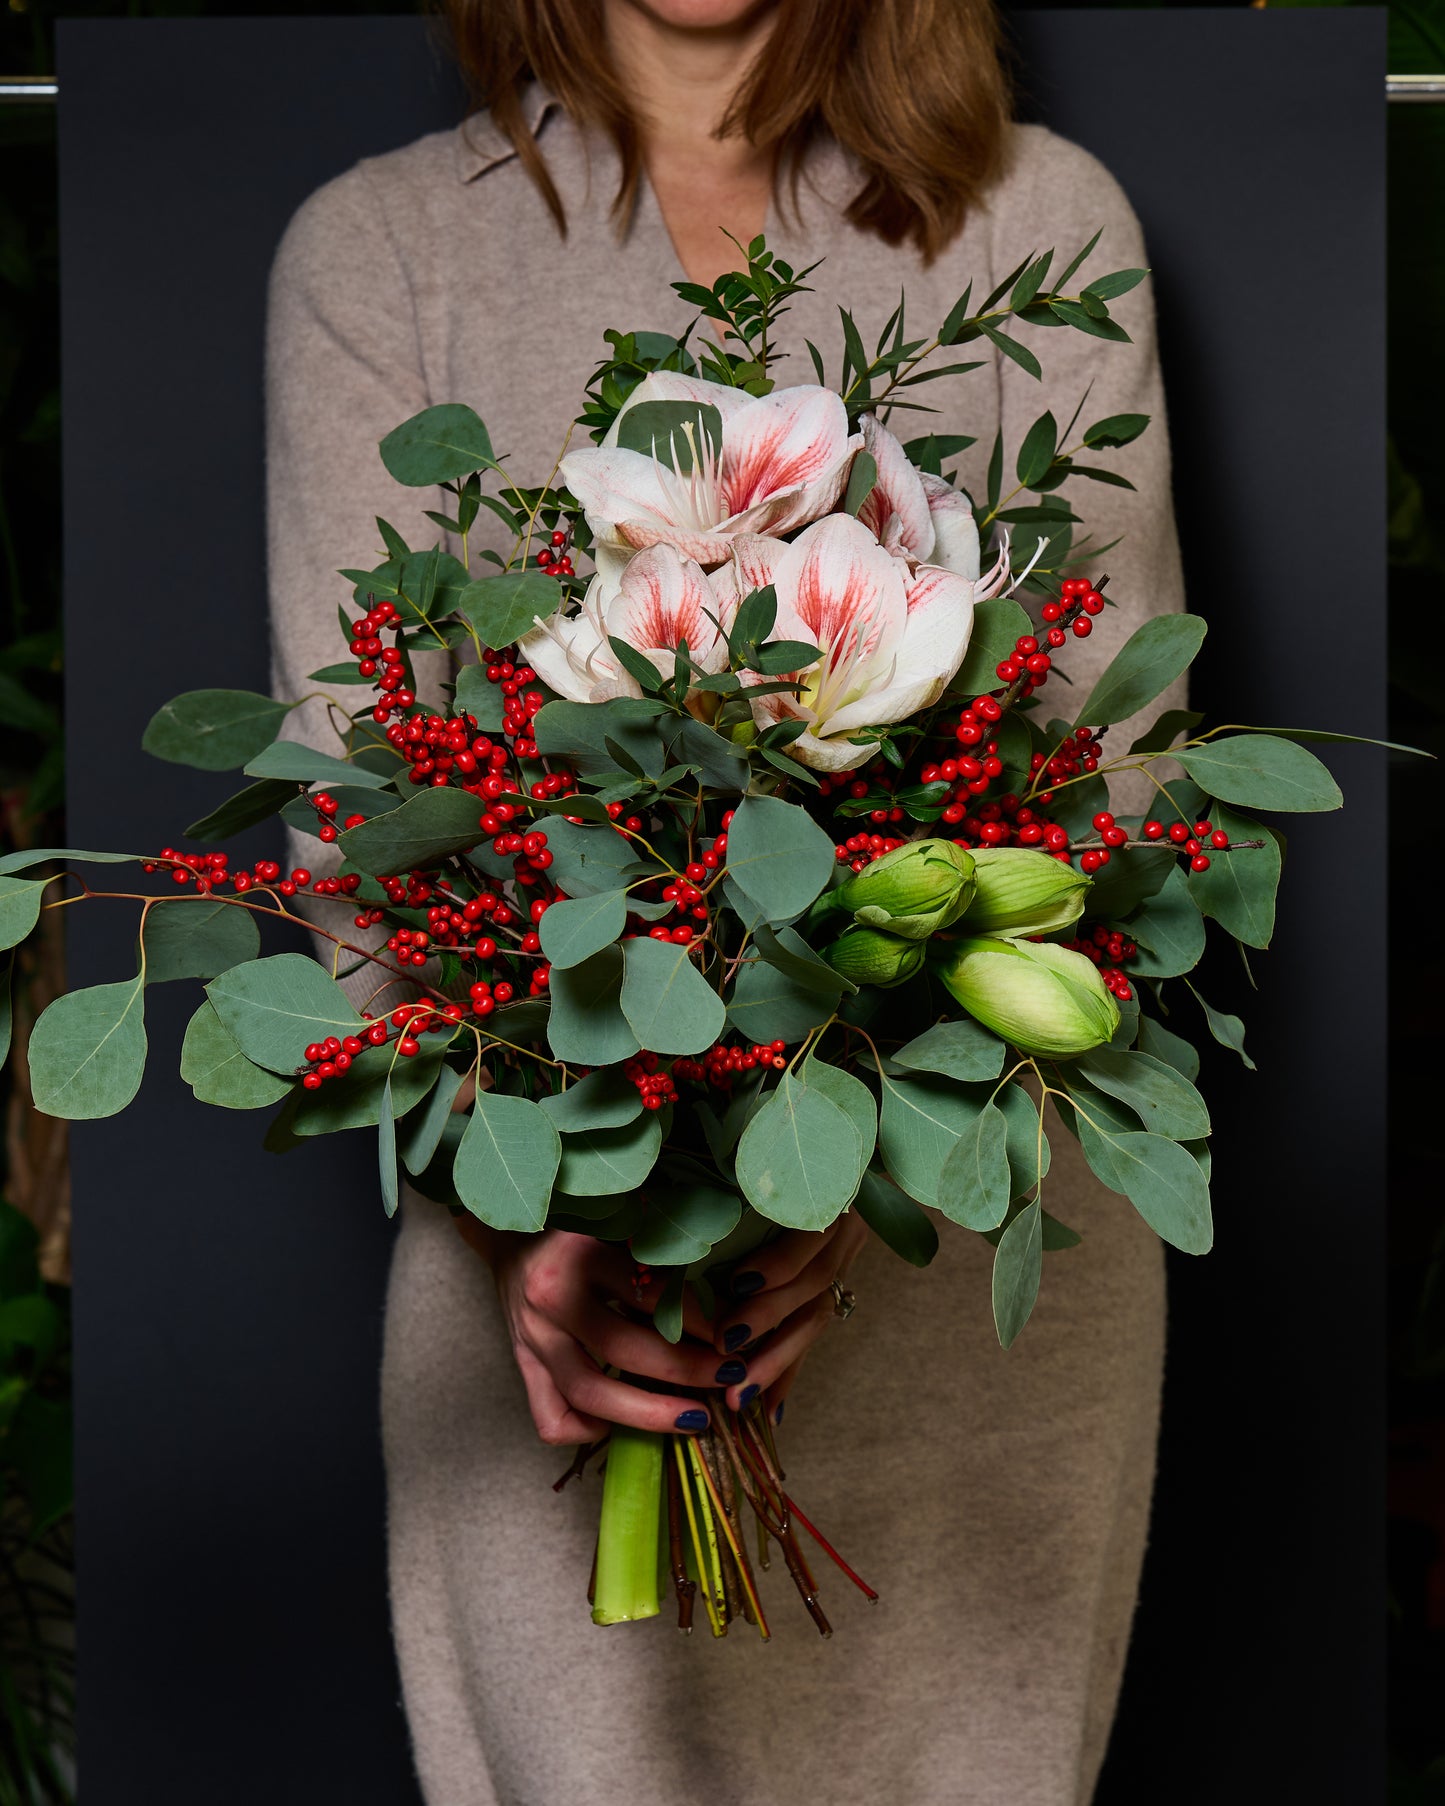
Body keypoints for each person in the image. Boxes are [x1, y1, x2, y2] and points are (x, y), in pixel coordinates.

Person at [266, 2, 1184, 1800]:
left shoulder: (1037, 226)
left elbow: (1118, 784)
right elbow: (350, 822)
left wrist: (827, 1160)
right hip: (546, 1275)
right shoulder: (384, 250)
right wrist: (548, 1209)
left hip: (971, 1272)